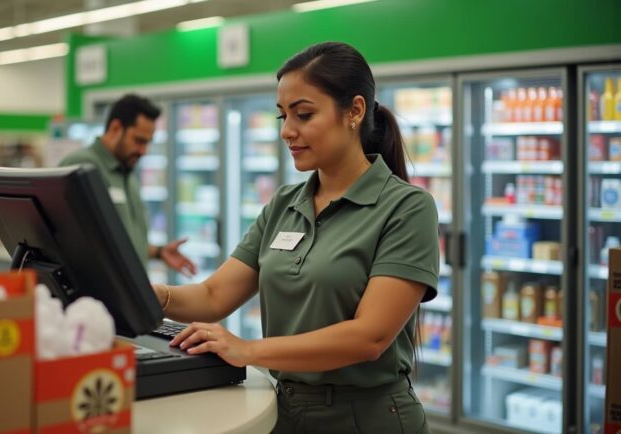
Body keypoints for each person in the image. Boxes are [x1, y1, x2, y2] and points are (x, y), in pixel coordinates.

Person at [152, 42, 438, 433]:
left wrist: (248, 350)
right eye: (282, 116)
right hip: (285, 410)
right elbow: (214, 296)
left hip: (366, 418)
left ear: (354, 111)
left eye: (303, 114)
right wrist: (152, 295)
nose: (287, 131)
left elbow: (369, 336)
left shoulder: (407, 208)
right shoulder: (286, 202)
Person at [59, 94, 196, 275]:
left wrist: (159, 252)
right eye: (139, 140)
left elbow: (121, 241)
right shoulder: (82, 167)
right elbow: (70, 241)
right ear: (116, 128)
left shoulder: (128, 176)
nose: (143, 151)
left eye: (147, 143)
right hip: (99, 297)